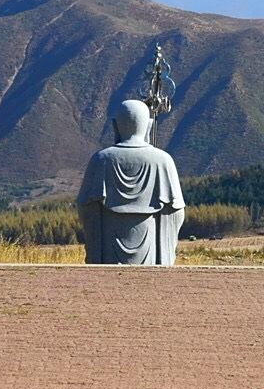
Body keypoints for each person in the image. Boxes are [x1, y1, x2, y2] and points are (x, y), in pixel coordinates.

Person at [77, 99, 185, 265]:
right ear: (148, 125)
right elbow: (176, 213)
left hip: (107, 250)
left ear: (115, 126)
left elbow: (86, 208)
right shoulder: (163, 161)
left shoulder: (101, 160)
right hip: (152, 249)